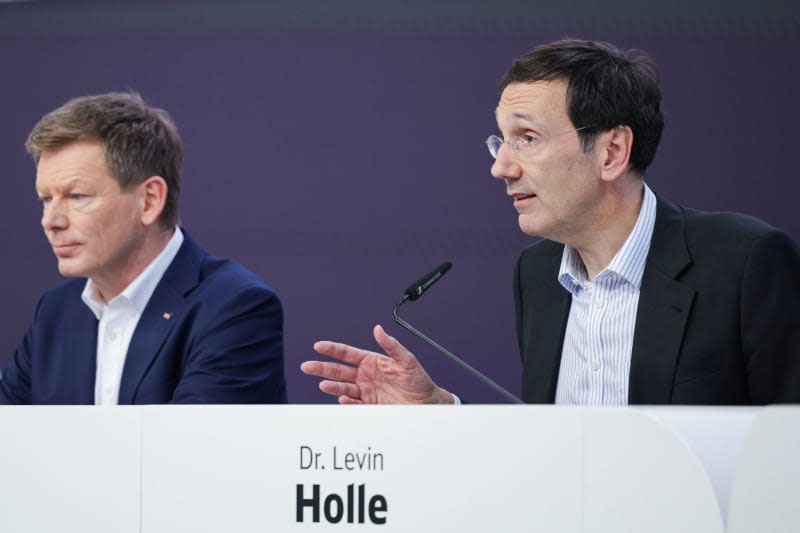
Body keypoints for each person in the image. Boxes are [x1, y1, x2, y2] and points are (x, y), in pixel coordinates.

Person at [301, 39, 800, 405]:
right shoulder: (537, 276)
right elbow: (554, 455)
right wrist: (440, 412)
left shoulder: (744, 263)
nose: (501, 166)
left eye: (527, 138)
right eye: (501, 140)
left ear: (612, 151)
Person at [0, 92, 286, 404]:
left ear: (149, 201)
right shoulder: (56, 312)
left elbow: (193, 449)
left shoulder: (234, 307)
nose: (50, 220)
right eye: (46, 199)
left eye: (77, 196)